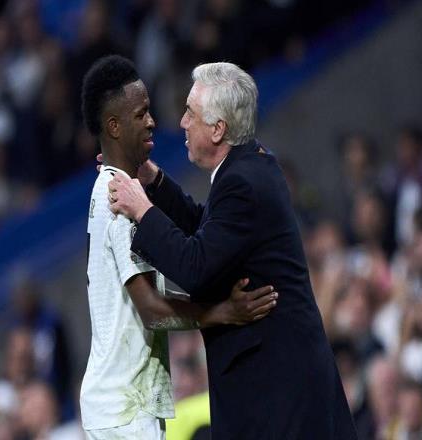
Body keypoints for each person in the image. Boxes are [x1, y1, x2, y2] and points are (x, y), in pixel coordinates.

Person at [109, 62, 358, 439]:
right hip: (280, 388)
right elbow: (207, 230)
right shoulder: (250, 166)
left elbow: (195, 268)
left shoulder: (241, 182)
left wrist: (142, 210)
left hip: (278, 395)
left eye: (190, 113)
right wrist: (153, 181)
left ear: (218, 128)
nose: (182, 123)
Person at [80, 56, 278, 440]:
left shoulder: (119, 188)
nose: (153, 121)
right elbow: (152, 311)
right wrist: (222, 312)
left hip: (121, 403)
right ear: (114, 126)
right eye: (141, 114)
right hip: (124, 407)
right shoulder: (120, 198)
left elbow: (192, 238)